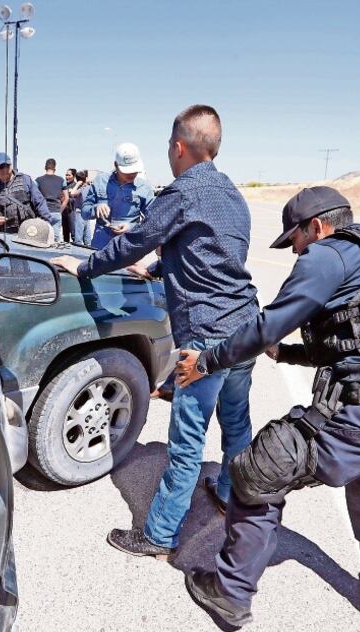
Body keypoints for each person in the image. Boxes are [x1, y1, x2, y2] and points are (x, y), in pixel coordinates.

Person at [175, 186, 360, 632]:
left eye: (296, 242)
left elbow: (271, 320)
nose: (296, 252)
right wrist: (287, 355)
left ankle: (229, 592)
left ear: (318, 226)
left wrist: (207, 361)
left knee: (257, 469)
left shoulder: (329, 254)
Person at [51, 104, 259, 557]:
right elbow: (213, 253)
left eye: (169, 146)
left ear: (179, 147)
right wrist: (161, 267)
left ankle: (159, 533)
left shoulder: (182, 192)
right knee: (236, 421)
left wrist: (84, 266)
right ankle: (230, 492)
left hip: (206, 335)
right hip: (246, 326)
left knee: (187, 438)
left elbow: (133, 241)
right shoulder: (232, 196)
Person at [81, 142, 155, 249]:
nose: (131, 174)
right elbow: (84, 212)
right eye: (127, 171)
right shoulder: (100, 181)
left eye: (134, 170)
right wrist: (96, 208)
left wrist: (131, 227)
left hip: (129, 249)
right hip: (100, 248)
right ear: (116, 165)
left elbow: (153, 219)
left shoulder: (144, 188)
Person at [0, 152, 52, 233]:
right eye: (1, 167)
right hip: (6, 236)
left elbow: (39, 202)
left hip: (29, 232)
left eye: (7, 166)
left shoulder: (25, 180)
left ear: (11, 165)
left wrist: (46, 224)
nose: (5, 169)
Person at [36, 158, 68, 240]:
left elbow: (34, 196)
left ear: (45, 167)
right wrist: (59, 210)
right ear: (55, 168)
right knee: (56, 239)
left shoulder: (38, 180)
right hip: (56, 212)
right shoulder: (61, 180)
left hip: (44, 213)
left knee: (43, 238)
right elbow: (66, 198)